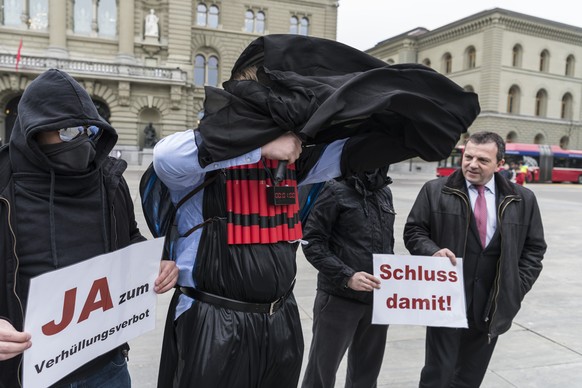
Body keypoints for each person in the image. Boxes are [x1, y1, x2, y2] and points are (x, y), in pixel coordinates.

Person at [154, 34, 480, 388]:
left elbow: (355, 151)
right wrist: (261, 146)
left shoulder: (298, 162)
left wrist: (406, 108)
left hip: (280, 320)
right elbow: (166, 156)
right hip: (213, 320)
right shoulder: (196, 165)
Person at [0, 69, 178, 387]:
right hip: (27, 371)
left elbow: (130, 237)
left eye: (88, 130)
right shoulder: (4, 188)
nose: (82, 141)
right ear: (35, 130)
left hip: (106, 366)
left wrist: (155, 263)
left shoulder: (110, 180)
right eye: (68, 131)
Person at [403, 131, 546, 388]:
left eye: (482, 160)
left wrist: (516, 286)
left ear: (499, 164)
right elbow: (414, 231)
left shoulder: (523, 199)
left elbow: (534, 250)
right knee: (438, 374)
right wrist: (431, 251)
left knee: (470, 378)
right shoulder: (435, 191)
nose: (472, 164)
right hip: (446, 300)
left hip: (492, 303)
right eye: (468, 156)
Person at [300, 167, 395, 388]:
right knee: (321, 373)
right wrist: (347, 276)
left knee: (366, 374)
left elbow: (385, 243)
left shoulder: (384, 192)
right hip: (338, 299)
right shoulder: (334, 189)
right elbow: (312, 243)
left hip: (376, 300)